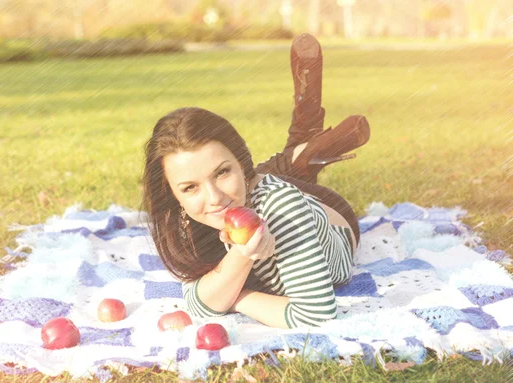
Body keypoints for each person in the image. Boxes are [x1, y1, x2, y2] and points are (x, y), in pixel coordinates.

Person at [141, 34, 370, 329]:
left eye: (222, 172)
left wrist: (238, 296)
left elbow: (316, 316)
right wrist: (242, 255)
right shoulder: (187, 212)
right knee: (255, 182)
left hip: (328, 214)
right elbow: (196, 300)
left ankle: (302, 141)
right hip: (255, 190)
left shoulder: (282, 207)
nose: (213, 198)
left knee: (272, 185)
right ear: (173, 193)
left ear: (241, 164)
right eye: (189, 187)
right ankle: (302, 145)